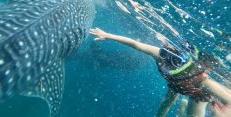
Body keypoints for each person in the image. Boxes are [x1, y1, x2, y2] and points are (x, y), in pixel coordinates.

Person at [89, 28, 231, 117]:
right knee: (166, 104)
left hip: (197, 91)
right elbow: (136, 44)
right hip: (177, 85)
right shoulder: (160, 54)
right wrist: (108, 35)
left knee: (174, 105)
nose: (165, 62)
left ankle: (184, 107)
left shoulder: (203, 81)